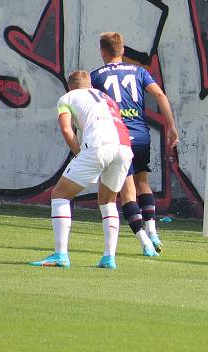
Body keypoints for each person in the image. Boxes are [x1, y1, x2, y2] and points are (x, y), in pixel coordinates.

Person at [30, 71, 134, 270]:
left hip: (98, 147)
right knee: (108, 201)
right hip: (124, 148)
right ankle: (109, 258)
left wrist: (79, 153)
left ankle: (60, 255)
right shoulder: (106, 98)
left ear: (70, 87)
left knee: (59, 195)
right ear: (90, 84)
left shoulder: (67, 97)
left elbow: (66, 129)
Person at [91, 32, 179, 256]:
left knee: (126, 191)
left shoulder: (96, 77)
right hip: (141, 135)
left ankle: (144, 242)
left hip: (118, 137)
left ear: (103, 51)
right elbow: (159, 95)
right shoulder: (139, 72)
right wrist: (171, 127)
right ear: (122, 50)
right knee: (143, 183)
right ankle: (153, 231)